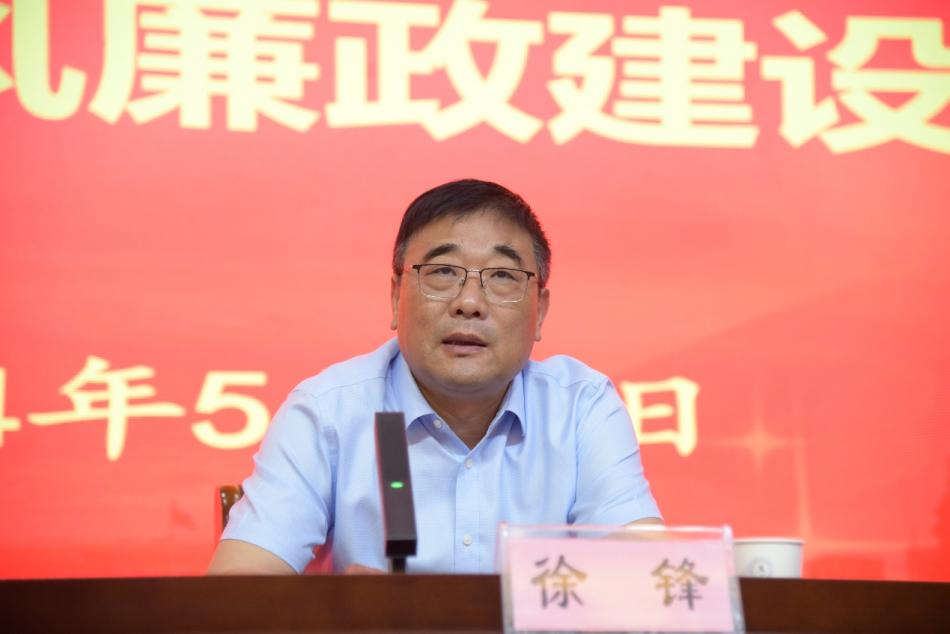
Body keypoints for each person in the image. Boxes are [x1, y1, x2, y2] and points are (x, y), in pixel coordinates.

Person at [208, 179, 661, 575]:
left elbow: (648, 580)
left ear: (539, 312)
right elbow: (238, 586)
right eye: (443, 272)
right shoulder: (328, 411)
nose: (469, 303)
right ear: (395, 298)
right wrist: (340, 613)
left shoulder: (581, 409)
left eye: (502, 276)